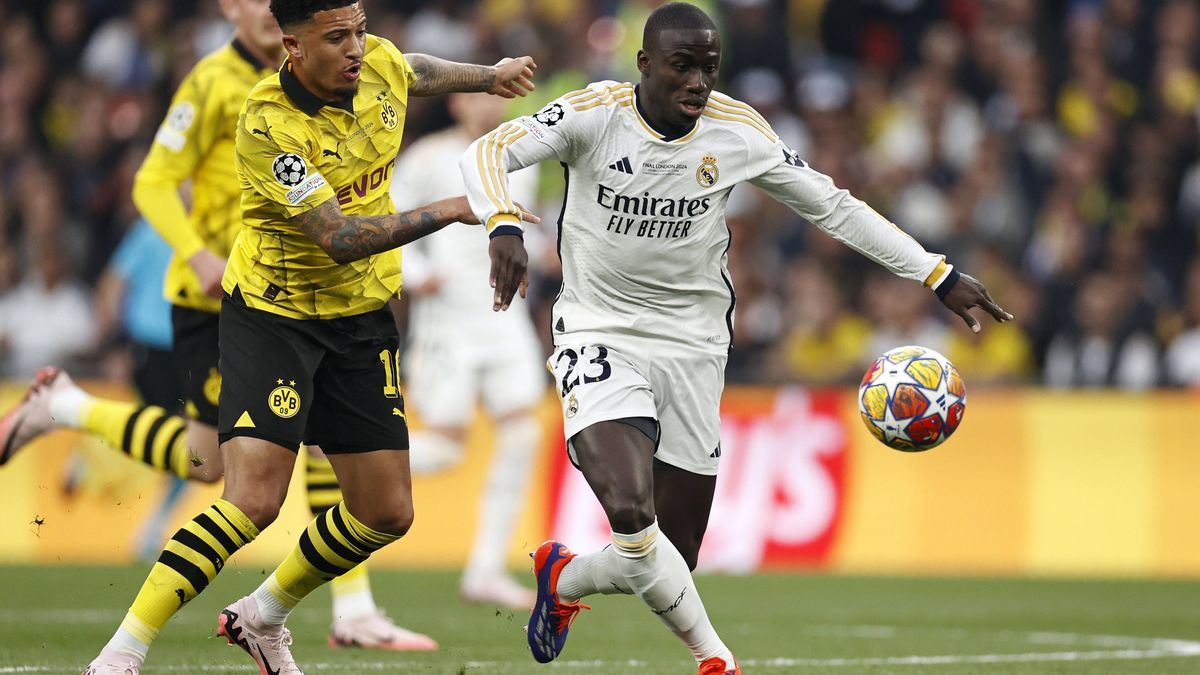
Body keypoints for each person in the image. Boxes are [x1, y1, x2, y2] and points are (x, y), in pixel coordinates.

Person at [460, 3, 1011, 674]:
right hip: (598, 330)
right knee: (631, 509)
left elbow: (832, 205)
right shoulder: (592, 114)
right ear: (644, 65)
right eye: (682, 67)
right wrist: (503, 223)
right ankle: (715, 656)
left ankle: (563, 577)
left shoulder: (737, 131)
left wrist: (936, 272)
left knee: (674, 556)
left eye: (710, 69)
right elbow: (487, 150)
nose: (698, 83)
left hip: (694, 346)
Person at [80, 0, 537, 672]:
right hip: (276, 315)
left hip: (361, 319)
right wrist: (453, 208)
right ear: (293, 46)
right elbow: (340, 237)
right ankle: (122, 651)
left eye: (358, 30)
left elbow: (412, 69)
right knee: (252, 498)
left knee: (387, 510)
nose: (357, 48)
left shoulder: (375, 60)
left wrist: (487, 74)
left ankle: (262, 615)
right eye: (337, 38)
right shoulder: (267, 122)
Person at [0, 0, 436, 654]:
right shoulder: (211, 84)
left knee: (319, 448)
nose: (265, 10)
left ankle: (352, 605)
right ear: (233, 10)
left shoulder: (335, 82)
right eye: (254, 1)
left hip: (307, 299)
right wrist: (196, 251)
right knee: (215, 468)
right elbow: (152, 182)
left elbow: (406, 77)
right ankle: (66, 405)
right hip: (221, 297)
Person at [391, 91, 546, 611]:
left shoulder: (517, 155)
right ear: (456, 103)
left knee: (524, 434)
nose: (490, 106)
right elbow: (389, 215)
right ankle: (350, 450)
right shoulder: (428, 157)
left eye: (498, 97)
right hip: (448, 321)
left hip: (506, 322)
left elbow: (530, 227)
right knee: (446, 448)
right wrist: (414, 273)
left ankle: (485, 570)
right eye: (480, 95)